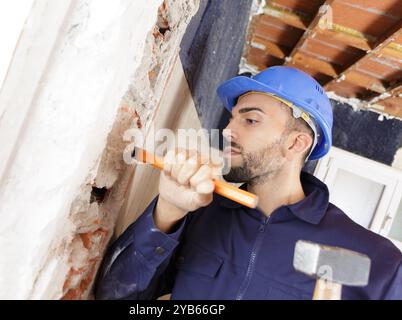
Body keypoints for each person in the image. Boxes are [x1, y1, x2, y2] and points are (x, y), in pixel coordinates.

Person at [94, 66, 402, 300]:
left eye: (250, 120)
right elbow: (115, 294)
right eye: (231, 118)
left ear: (296, 144)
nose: (228, 131)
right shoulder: (199, 210)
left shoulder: (375, 261)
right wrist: (167, 211)